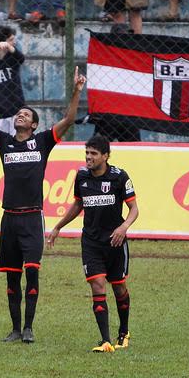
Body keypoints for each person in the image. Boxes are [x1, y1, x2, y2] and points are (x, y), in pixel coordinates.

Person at [0, 62, 87, 344]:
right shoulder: (4, 142)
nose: (20, 115)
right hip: (10, 218)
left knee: (32, 273)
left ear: (33, 125)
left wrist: (77, 92)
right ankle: (15, 329)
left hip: (32, 218)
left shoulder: (42, 142)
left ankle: (29, 327)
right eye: (19, 113)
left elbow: (67, 120)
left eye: (26, 115)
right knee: (11, 278)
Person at [47, 134, 138, 353]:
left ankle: (124, 332)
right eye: (87, 153)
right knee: (97, 284)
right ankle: (106, 341)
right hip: (91, 242)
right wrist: (59, 226)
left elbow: (134, 209)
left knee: (119, 287)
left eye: (94, 154)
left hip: (115, 243)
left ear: (106, 156)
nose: (89, 157)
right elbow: (78, 205)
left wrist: (123, 227)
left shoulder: (119, 177)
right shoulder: (81, 177)